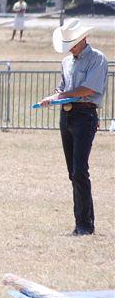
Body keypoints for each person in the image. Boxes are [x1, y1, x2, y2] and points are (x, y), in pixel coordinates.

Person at [38, 19, 108, 236]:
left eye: (74, 43)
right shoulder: (67, 62)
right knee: (74, 172)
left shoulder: (97, 59)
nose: (71, 48)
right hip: (67, 115)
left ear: (84, 39)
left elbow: (88, 89)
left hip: (84, 116)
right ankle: (83, 221)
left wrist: (62, 95)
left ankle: (85, 224)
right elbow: (63, 87)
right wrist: (54, 96)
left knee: (79, 170)